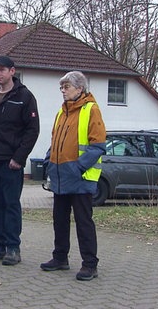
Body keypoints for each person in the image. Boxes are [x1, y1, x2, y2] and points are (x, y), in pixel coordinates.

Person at [39, 71, 106, 281]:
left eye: (66, 87)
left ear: (80, 88)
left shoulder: (91, 110)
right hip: (60, 176)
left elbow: (98, 146)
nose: (63, 91)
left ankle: (90, 264)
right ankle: (60, 258)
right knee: (59, 220)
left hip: (81, 178)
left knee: (83, 222)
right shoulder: (62, 112)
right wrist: (49, 160)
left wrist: (78, 168)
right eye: (61, 88)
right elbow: (54, 140)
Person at [0, 55, 40, 266]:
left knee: (11, 204)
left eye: (2, 70)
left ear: (13, 71)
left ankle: (13, 247)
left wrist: (19, 158)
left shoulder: (24, 96)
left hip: (10, 162)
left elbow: (32, 131)